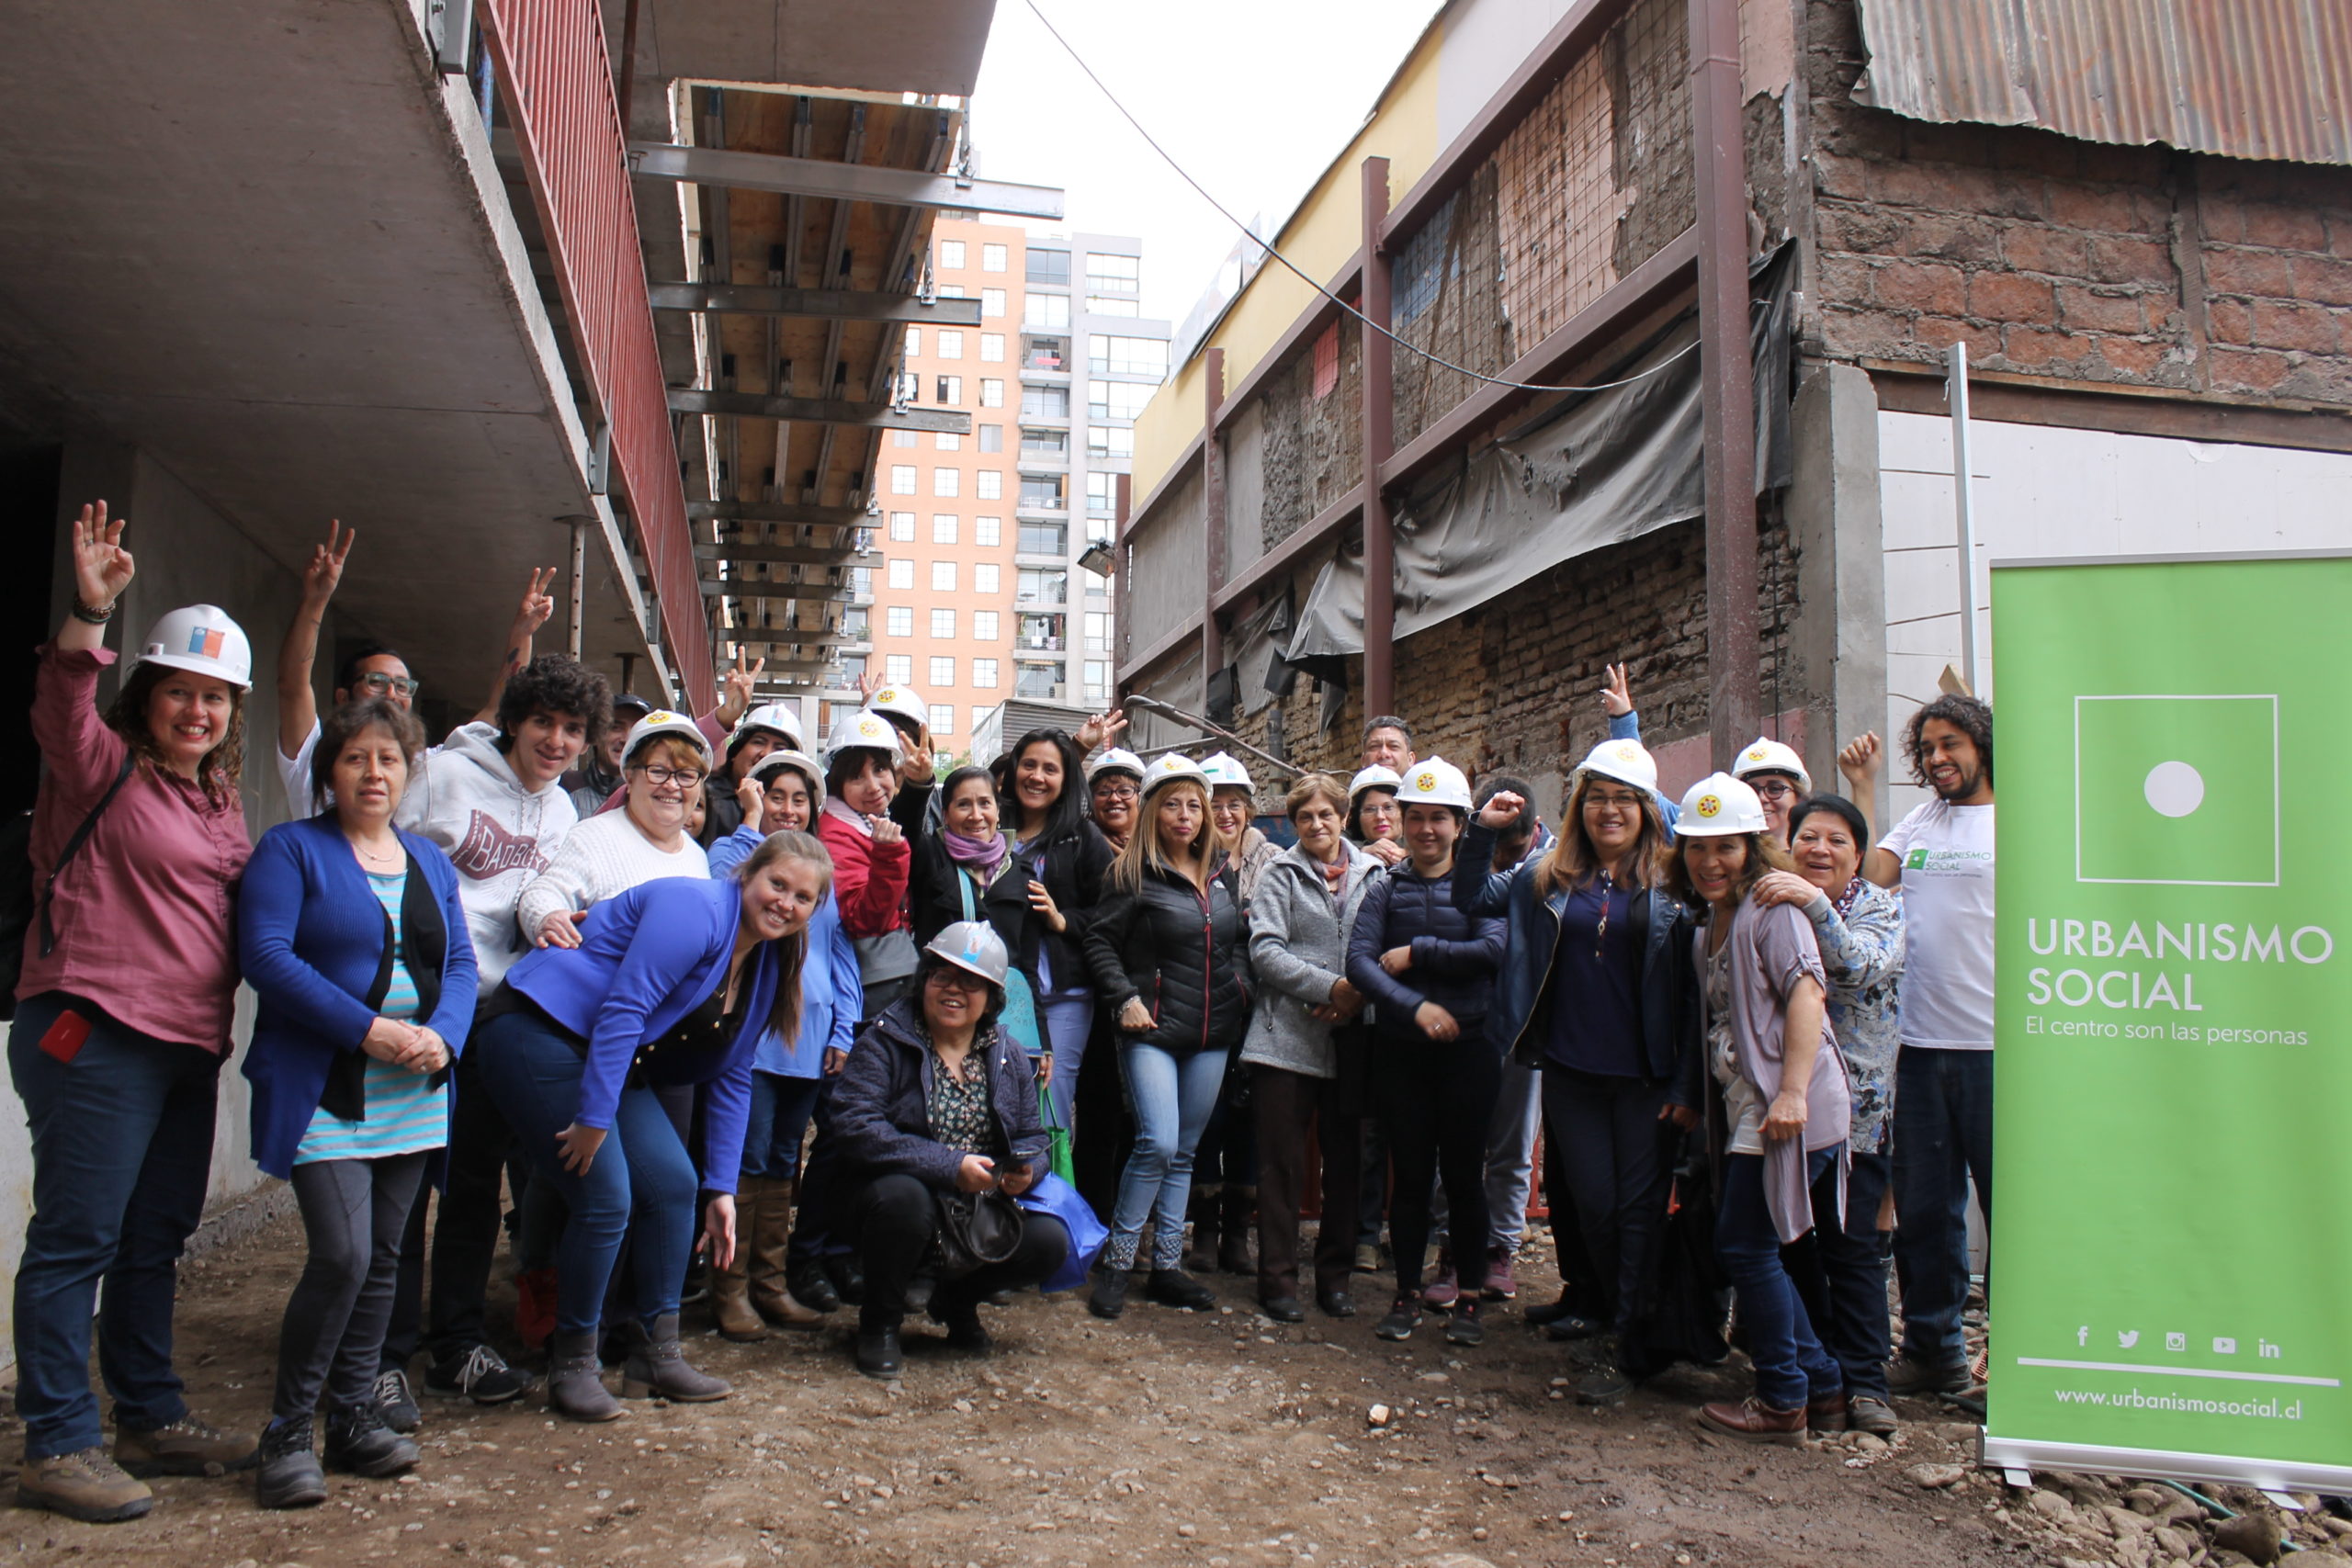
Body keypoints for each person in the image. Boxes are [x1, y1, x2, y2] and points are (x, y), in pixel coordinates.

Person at [9, 504, 259, 1522]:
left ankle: (148, 1414)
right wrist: (86, 613)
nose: (197, 711)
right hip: (93, 1031)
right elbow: (64, 704)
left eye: (216, 697)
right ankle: (60, 1441)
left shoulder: (220, 803)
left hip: (185, 1048)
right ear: (146, 694)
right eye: (180, 692)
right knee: (79, 1238)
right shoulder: (99, 772)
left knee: (156, 1237)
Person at [472, 832, 831, 1419]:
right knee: (605, 1197)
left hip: (604, 1055)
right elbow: (626, 1007)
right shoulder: (694, 909)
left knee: (674, 1186)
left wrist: (721, 1187)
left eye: (803, 897)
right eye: (778, 884)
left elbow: (733, 1073)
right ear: (747, 876)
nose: (785, 902)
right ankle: (573, 1364)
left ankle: (655, 1353)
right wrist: (592, 1120)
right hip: (538, 1032)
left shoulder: (767, 962)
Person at [238, 699, 479, 1506]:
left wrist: (443, 1036)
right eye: (355, 758)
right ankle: (285, 1429)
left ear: (409, 773)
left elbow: (465, 967)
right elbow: (266, 956)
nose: (373, 773)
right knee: (340, 1254)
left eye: (389, 759)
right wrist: (368, 1028)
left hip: (413, 1086)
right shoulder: (290, 850)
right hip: (325, 1083)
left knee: (383, 1257)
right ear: (329, 771)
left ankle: (351, 1415)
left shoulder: (429, 861)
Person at [390, 652, 607, 1415]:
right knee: (403, 1183)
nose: (555, 740)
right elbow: (384, 857)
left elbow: (540, 898)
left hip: (497, 1013)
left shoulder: (563, 812)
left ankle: (454, 1341)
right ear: (513, 719)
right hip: (420, 1009)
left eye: (572, 729)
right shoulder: (441, 776)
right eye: (542, 721)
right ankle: (385, 1351)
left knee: (475, 1183)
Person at [1457, 738, 1696, 1402]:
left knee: (1638, 1211)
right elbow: (1471, 894)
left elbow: (1687, 995)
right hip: (1570, 1069)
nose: (1610, 811)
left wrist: (1684, 1084)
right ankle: (1611, 1315)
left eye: (1625, 799)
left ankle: (1630, 1343)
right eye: (1597, 797)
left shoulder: (1674, 884)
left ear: (1648, 809)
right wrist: (1484, 828)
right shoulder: (1547, 877)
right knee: (1592, 1204)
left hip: (1646, 1074)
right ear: (1578, 806)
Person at [1668, 773, 1852, 1444]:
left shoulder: (1773, 911)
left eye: (1726, 847)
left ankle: (1782, 1397)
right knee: (1754, 1245)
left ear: (1752, 847)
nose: (1710, 862)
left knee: (1745, 1245)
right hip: (1752, 1103)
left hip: (1787, 1105)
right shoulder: (1707, 924)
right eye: (1696, 848)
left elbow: (1807, 995)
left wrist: (1794, 1091)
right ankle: (1823, 1386)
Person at [808, 922, 1071, 1378]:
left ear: (991, 998)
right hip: (884, 1201)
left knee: (1050, 1242)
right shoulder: (885, 1040)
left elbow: (1031, 1135)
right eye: (942, 976)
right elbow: (853, 1126)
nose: (954, 990)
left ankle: (955, 1303)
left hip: (972, 1209)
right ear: (923, 980)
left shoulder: (1005, 1052)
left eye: (972, 983)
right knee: (905, 1201)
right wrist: (949, 1167)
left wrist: (1029, 1168)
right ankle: (879, 1324)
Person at [1841, 695, 1996, 1396]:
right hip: (1921, 1044)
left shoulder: (2025, 816)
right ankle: (1935, 1350)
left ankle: (2026, 1369)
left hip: (1999, 1045)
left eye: (1951, 743)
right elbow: (1870, 879)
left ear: (1983, 745)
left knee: (2009, 1205)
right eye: (1927, 747)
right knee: (1927, 1211)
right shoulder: (1924, 819)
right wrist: (1865, 788)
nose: (1938, 758)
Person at [1754, 794, 1905, 1438]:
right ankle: (1820, 1376)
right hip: (1781, 1106)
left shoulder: (1880, 908)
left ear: (1859, 853)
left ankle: (1867, 1380)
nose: (1819, 849)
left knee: (1855, 1250)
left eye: (1837, 840)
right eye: (1808, 836)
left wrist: (1811, 903)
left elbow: (1859, 965)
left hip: (1859, 1115)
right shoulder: (1772, 902)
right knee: (1790, 1245)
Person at [1080, 755, 1250, 1317]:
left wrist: (1240, 991)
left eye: (1194, 806)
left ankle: (1167, 1268)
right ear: (1153, 811)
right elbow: (1099, 943)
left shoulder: (1223, 876)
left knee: (1184, 1151)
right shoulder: (1129, 875)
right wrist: (1124, 999)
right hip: (1150, 1027)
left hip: (1212, 1031)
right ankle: (1120, 1260)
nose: (1186, 816)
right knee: (1156, 1141)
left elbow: (1239, 945)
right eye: (1172, 804)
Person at [1347, 759, 1506, 1346]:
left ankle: (1468, 1298)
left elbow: (1494, 949)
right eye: (1416, 817)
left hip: (1471, 1049)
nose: (1426, 829)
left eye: (1439, 818)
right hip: (1402, 1051)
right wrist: (1414, 1008)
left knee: (1465, 1177)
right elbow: (1360, 962)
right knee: (1409, 1177)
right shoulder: (1384, 888)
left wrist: (1420, 951)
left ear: (1460, 824)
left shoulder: (1485, 888)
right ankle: (1406, 1292)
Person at [704, 750, 860, 1339]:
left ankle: (769, 1285)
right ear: (756, 797)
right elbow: (724, 879)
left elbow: (838, 952)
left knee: (781, 1161)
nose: (788, 809)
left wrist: (844, 1026)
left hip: (811, 1037)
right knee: (743, 1158)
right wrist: (748, 818)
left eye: (800, 799)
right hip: (756, 1034)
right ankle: (730, 1289)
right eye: (777, 796)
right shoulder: (743, 855)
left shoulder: (816, 868)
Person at [273, 519, 557, 814]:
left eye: (402, 686)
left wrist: (522, 634)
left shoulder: (428, 769)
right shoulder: (316, 760)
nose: (392, 694)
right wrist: (315, 601)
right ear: (343, 697)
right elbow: (292, 686)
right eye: (377, 682)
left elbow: (499, 708)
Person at [1241, 773, 1377, 1323]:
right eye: (1305, 817)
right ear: (1294, 824)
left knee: (1346, 1163)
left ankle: (1335, 1278)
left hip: (1354, 1037)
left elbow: (1383, 943)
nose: (1317, 825)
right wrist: (1331, 988)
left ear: (1344, 816)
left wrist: (1355, 995)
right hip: (1284, 1038)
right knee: (1281, 1166)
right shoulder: (1281, 872)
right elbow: (1265, 951)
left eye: (1326, 814)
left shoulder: (1375, 873)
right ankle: (1276, 1280)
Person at [984, 729, 1114, 1134]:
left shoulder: (1082, 837)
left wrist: (1064, 921)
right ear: (1012, 770)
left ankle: (1047, 1191)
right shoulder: (987, 826)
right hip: (988, 988)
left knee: (1047, 1102)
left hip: (1061, 996)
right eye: (1029, 765)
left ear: (1065, 779)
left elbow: (1111, 914)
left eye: (1050, 769)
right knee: (989, 1100)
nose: (1037, 776)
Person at [518, 710, 713, 953]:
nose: (672, 786)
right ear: (629, 778)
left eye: (686, 775)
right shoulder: (592, 838)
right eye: (658, 771)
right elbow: (544, 892)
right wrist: (547, 917)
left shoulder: (697, 856)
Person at [1188, 751, 1275, 1276]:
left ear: (1248, 809)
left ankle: (1238, 1232)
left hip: (1259, 1010)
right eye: (1213, 804)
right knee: (1207, 1117)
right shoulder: (1185, 860)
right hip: (1200, 1008)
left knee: (1248, 1119)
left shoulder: (1275, 861)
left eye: (1233, 804)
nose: (1224, 814)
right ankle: (1204, 1230)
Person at [1467, 773, 1548, 1302]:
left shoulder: (1552, 869)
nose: (1502, 858)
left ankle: (1499, 1247)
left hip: (1527, 1027)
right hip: (1468, 1021)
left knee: (1514, 1143)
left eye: (1512, 848)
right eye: (1493, 846)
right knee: (1457, 1140)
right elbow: (1466, 898)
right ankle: (1456, 1245)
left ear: (1536, 831)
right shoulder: (1474, 858)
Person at [1343, 762, 1404, 1274]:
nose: (1381, 817)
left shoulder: (1423, 863)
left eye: (1390, 807)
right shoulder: (1347, 863)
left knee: (1411, 1131)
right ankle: (1364, 1234)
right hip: (1362, 1017)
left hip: (1409, 1015)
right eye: (1370, 809)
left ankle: (1415, 1234)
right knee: (1367, 1134)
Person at [817, 711, 916, 1020]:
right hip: (874, 982)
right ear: (838, 784)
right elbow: (864, 918)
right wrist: (889, 855)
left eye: (880, 769)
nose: (873, 786)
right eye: (856, 777)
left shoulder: (863, 821)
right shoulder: (835, 833)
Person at [910, 764, 1008, 947]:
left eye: (985, 803)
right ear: (945, 815)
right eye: (963, 805)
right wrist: (916, 786)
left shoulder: (1018, 869)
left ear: (998, 811)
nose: (976, 815)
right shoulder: (930, 855)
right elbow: (906, 831)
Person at [698, 701, 803, 847]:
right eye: (758, 742)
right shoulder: (704, 794)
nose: (765, 754)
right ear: (736, 752)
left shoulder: (791, 812)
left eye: (779, 748)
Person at [563, 692, 653, 818]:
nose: (626, 739)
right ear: (596, 734)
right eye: (616, 727)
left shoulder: (655, 800)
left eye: (636, 731)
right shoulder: (564, 786)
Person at [1730, 738, 1811, 846]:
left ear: (1798, 797)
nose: (1762, 798)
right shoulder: (1730, 861)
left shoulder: (1812, 858)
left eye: (1775, 789)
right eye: (1752, 790)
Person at [1086, 748, 1146, 851]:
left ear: (1141, 798)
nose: (1114, 799)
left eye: (1124, 791)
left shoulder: (1162, 846)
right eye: (1103, 792)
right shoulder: (1079, 848)